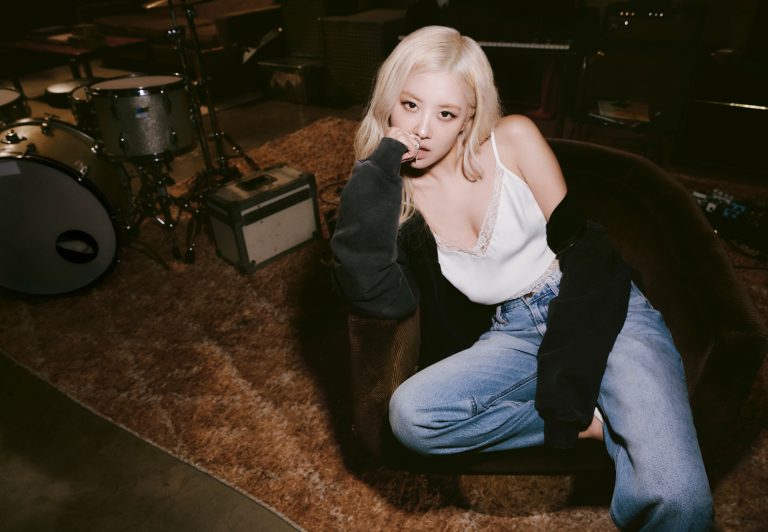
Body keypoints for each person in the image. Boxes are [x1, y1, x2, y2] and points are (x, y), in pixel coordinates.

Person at [330, 25, 713, 530]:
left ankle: (593, 406)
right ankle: (591, 424)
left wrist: (570, 377)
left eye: (445, 114)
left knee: (678, 496)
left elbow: (587, 252)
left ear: (469, 118)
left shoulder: (512, 140)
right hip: (514, 330)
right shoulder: (397, 200)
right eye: (410, 105)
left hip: (598, 300)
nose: (421, 130)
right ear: (388, 102)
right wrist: (376, 172)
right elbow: (376, 294)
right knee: (412, 417)